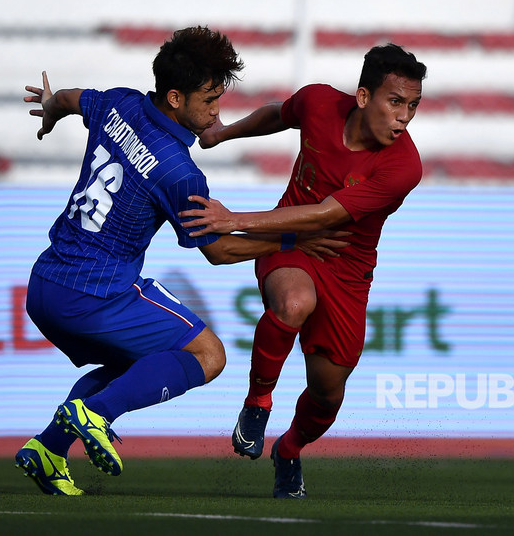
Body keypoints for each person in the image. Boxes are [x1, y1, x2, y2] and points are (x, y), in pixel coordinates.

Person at [15, 26, 346, 496]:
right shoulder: (178, 170)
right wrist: (294, 243)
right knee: (208, 355)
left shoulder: (118, 102)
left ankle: (49, 448)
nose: (217, 111)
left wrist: (50, 110)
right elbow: (219, 250)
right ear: (175, 97)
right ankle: (96, 414)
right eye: (209, 100)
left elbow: (71, 98)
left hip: (45, 284)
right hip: (97, 291)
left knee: (142, 369)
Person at [180, 43, 427, 499]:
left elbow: (325, 216)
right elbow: (279, 114)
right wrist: (223, 133)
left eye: (412, 106)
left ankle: (289, 450)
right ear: (362, 96)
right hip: (289, 243)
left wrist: (235, 220)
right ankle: (257, 403)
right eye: (396, 102)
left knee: (328, 394)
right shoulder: (317, 102)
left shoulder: (403, 166)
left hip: (348, 270)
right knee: (294, 301)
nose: (404, 117)